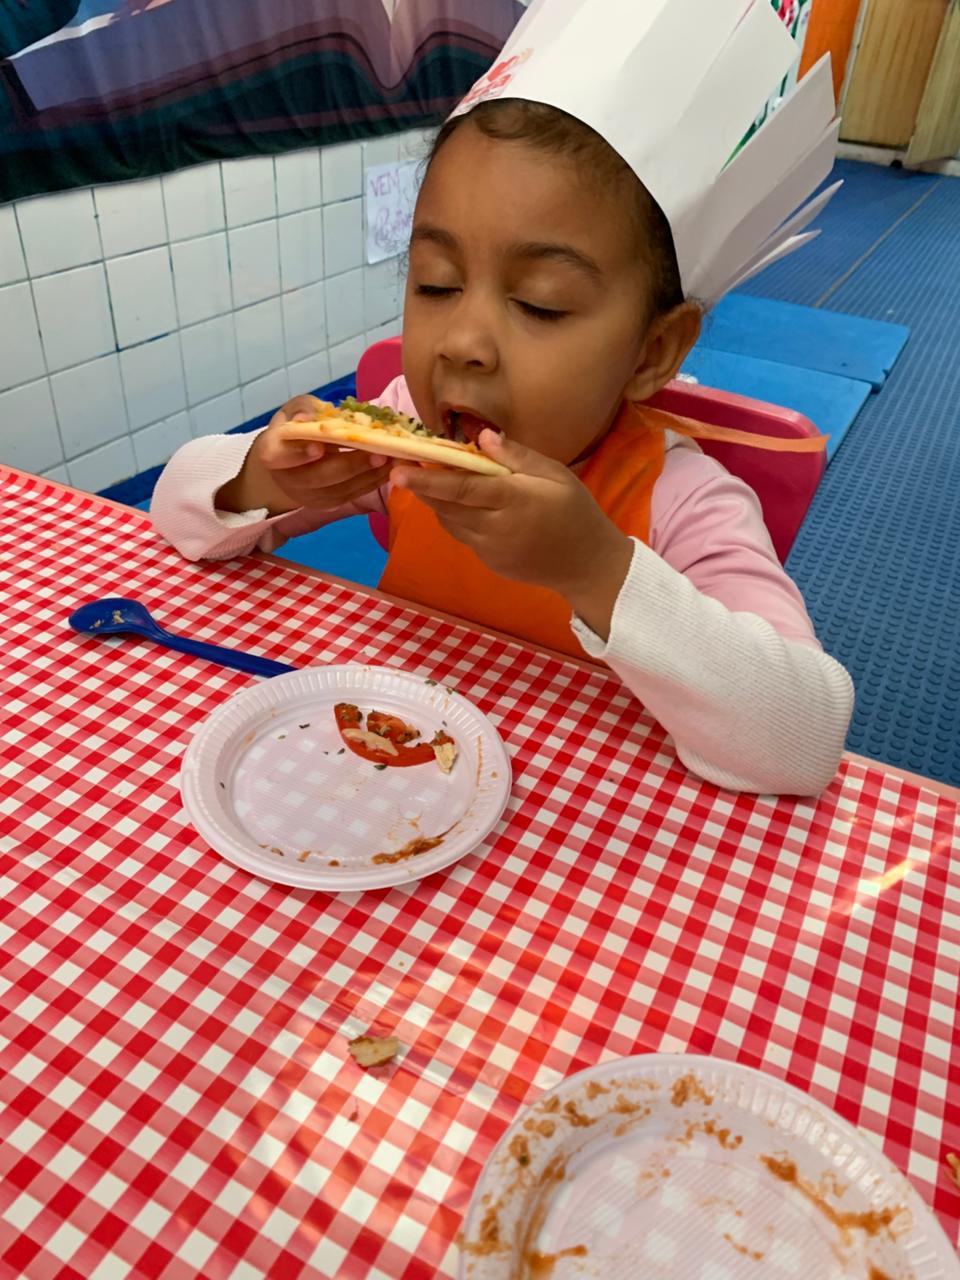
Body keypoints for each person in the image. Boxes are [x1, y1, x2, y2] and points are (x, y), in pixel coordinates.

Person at [152, 0, 854, 796]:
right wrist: (262, 479)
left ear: (652, 352)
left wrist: (594, 566)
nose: (462, 342)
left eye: (539, 303)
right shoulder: (403, 432)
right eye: (435, 283)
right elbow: (174, 512)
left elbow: (805, 738)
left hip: (582, 824)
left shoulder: (683, 502)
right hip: (393, 783)